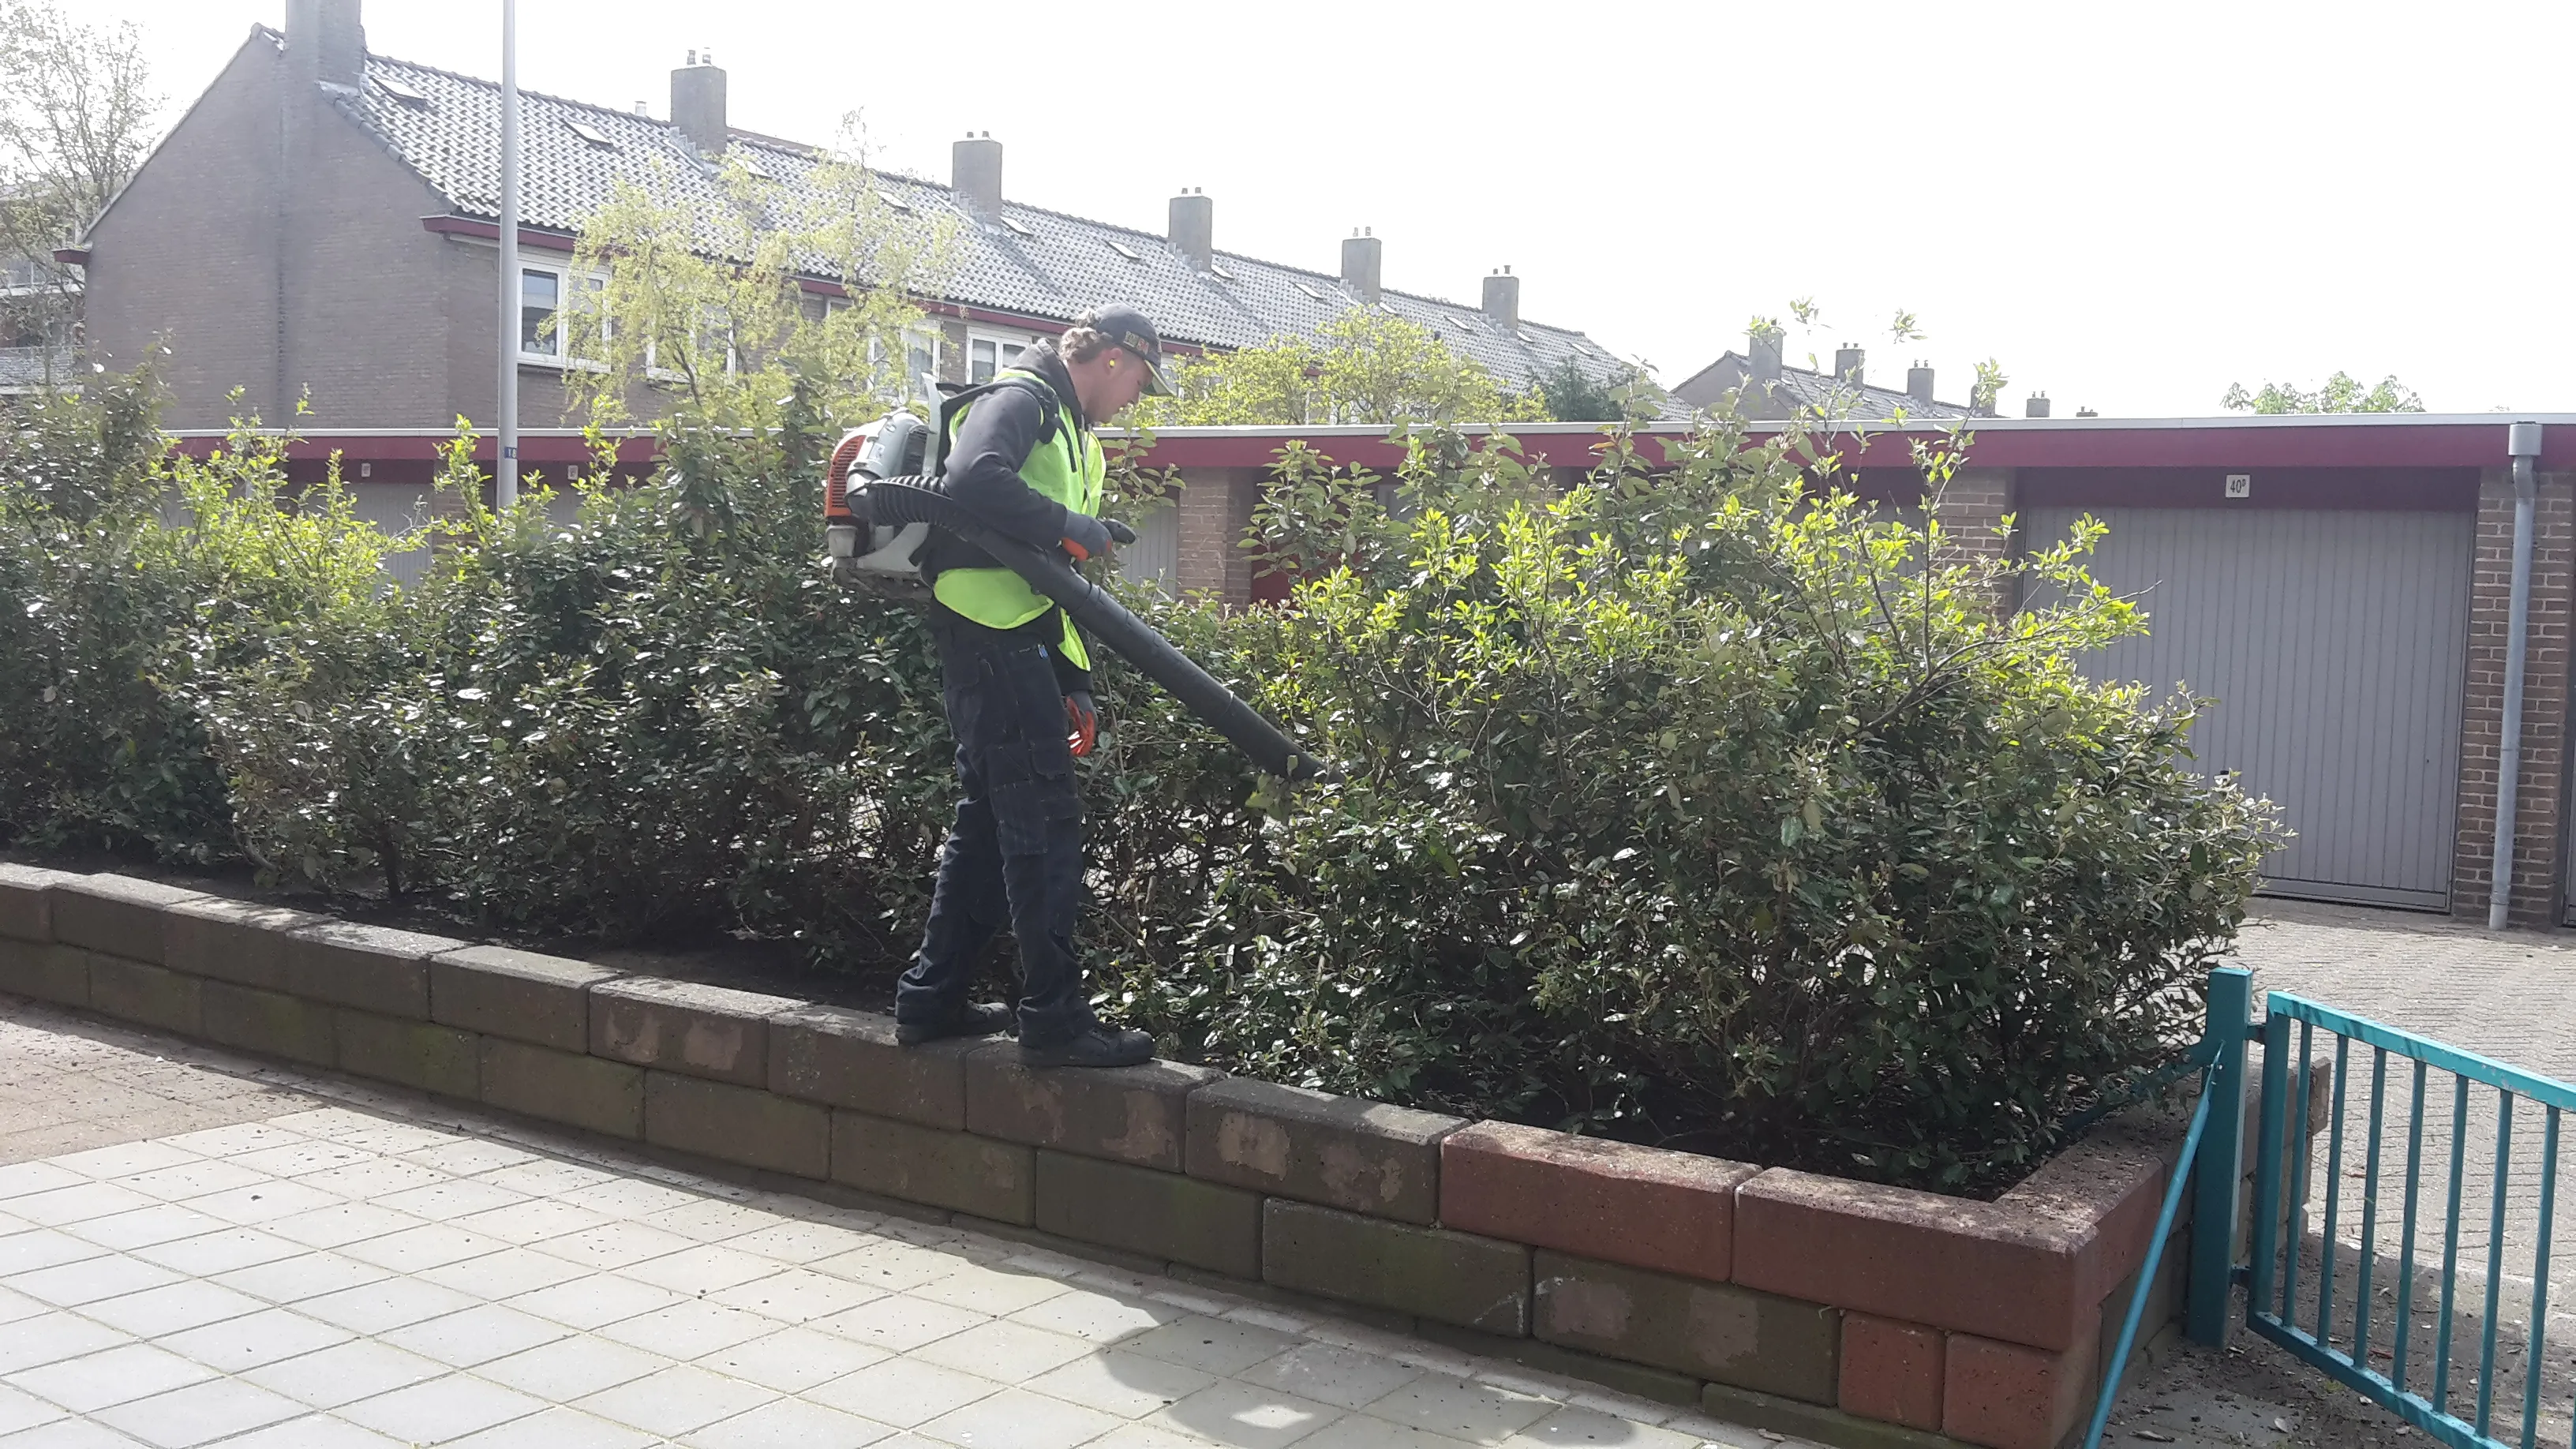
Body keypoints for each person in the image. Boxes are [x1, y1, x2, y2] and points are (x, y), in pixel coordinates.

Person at [893, 305, 1170, 1068]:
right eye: (1141, 380)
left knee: (987, 827)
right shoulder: (1024, 398)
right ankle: (1054, 1019)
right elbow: (971, 476)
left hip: (1013, 638)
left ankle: (931, 999)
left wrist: (1074, 679)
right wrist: (1069, 525)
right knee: (1043, 824)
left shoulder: (1073, 432)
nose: (1138, 398)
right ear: (1112, 359)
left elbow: (1048, 579)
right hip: (990, 636)